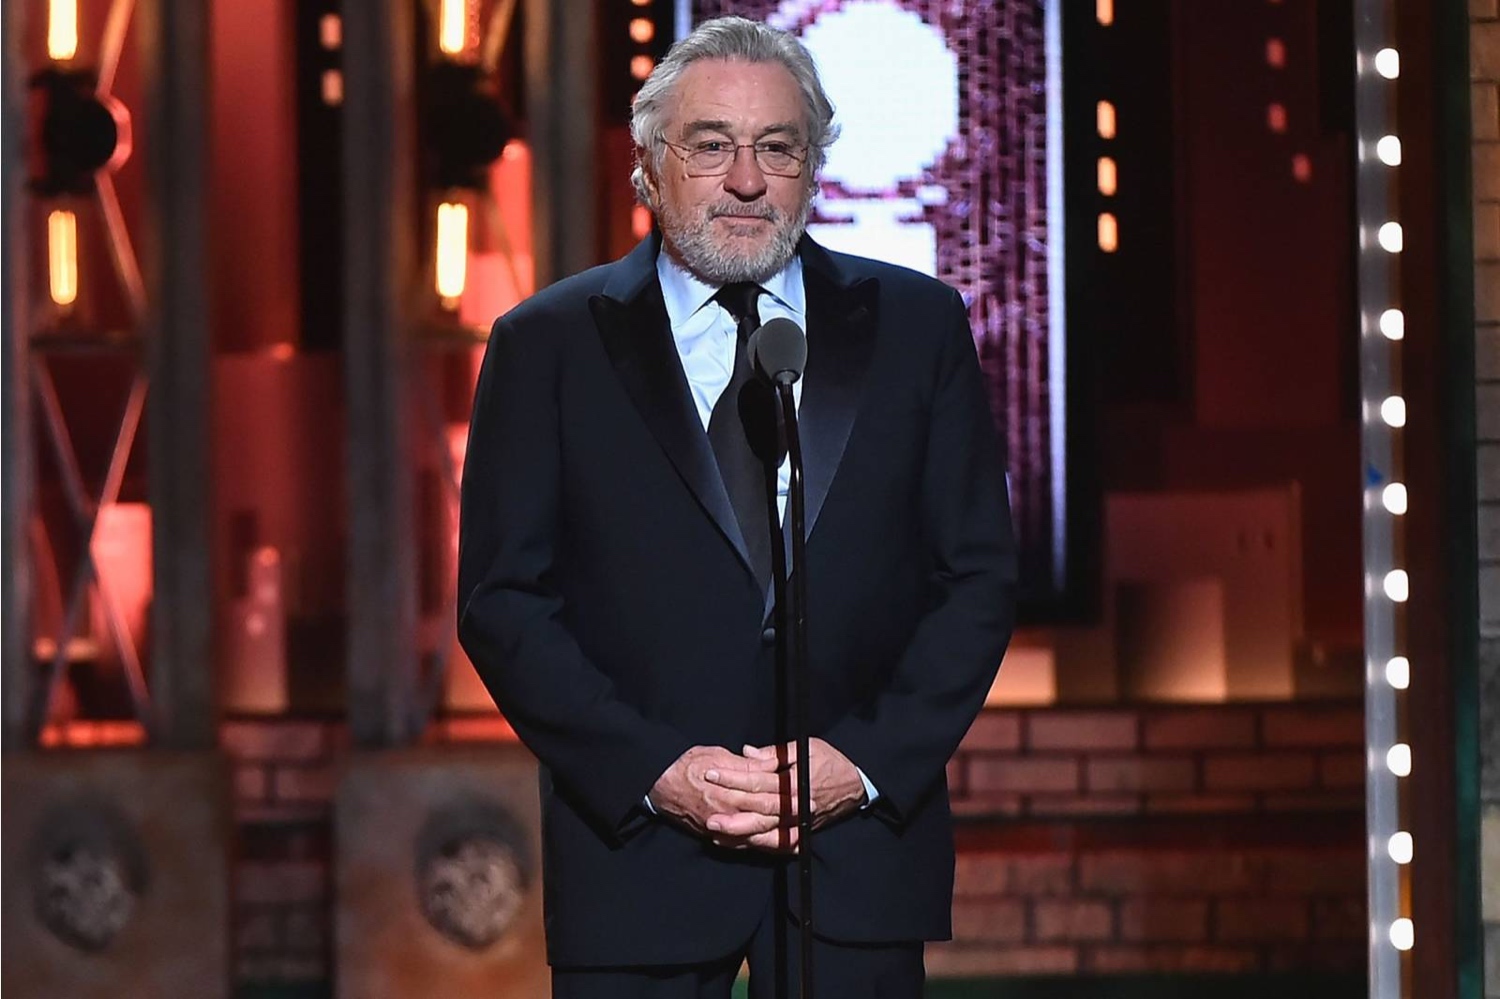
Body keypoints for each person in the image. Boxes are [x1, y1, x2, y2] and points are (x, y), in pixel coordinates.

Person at [457, 15, 1016, 998]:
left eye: (778, 147)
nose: (747, 180)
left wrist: (864, 762)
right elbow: (503, 603)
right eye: (711, 145)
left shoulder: (919, 327)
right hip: (635, 867)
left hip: (856, 863)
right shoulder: (546, 345)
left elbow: (974, 577)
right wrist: (653, 771)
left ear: (814, 166)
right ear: (649, 165)